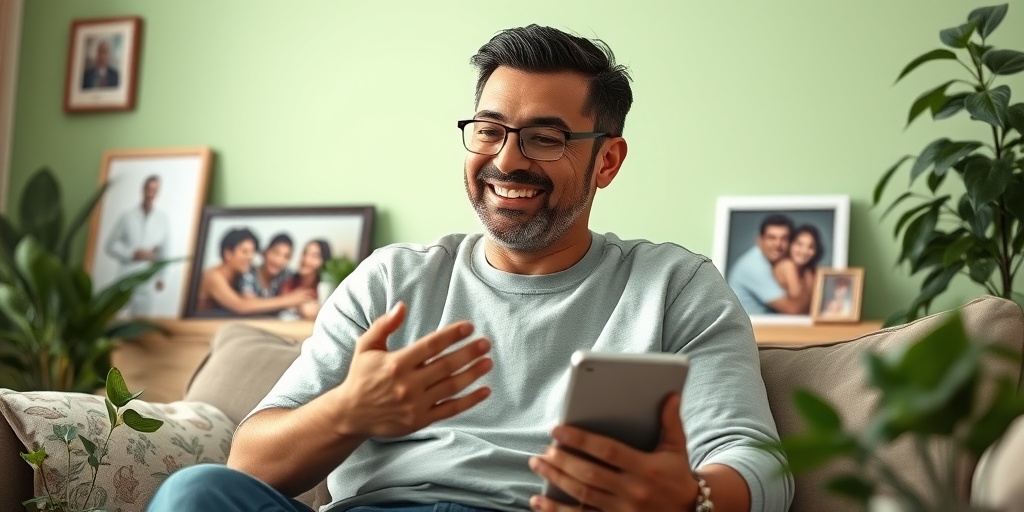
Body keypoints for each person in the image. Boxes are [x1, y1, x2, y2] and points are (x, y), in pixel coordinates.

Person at [150, 25, 792, 512]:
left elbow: (758, 463)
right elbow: (250, 461)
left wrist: (690, 499)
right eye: (490, 130)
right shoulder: (389, 279)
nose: (508, 160)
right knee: (198, 492)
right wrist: (351, 410)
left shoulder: (673, 286)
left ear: (607, 161)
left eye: (546, 137)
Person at [194, 228, 312, 316]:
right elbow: (241, 305)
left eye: (252, 252)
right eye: (244, 252)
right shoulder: (213, 276)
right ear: (228, 254)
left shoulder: (239, 275)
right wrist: (287, 300)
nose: (250, 257)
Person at [104, 175, 170, 316]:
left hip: (148, 282)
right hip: (126, 278)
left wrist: (162, 278)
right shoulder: (127, 216)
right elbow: (110, 245)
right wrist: (133, 253)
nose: (150, 194)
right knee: (117, 319)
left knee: (141, 325)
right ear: (143, 190)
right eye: (148, 189)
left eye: (154, 190)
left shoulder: (162, 220)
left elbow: (165, 252)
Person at [728, 214, 811, 315]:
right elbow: (794, 310)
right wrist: (808, 273)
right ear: (760, 240)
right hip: (752, 329)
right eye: (771, 238)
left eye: (784, 238)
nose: (778, 244)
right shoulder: (753, 266)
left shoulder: (775, 264)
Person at [771, 224, 823, 312]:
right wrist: (809, 277)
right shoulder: (787, 265)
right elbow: (800, 308)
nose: (804, 251)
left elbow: (816, 304)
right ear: (790, 244)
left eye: (811, 247)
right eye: (799, 244)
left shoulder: (806, 270)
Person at [278, 239, 332, 320]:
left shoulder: (325, 289)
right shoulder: (288, 283)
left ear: (324, 261)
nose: (306, 259)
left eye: (315, 256)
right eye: (305, 253)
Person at [239, 233, 296, 298]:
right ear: (265, 253)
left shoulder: (286, 275)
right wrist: (288, 300)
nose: (278, 261)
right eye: (276, 253)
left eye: (286, 257)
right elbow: (249, 303)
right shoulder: (249, 273)